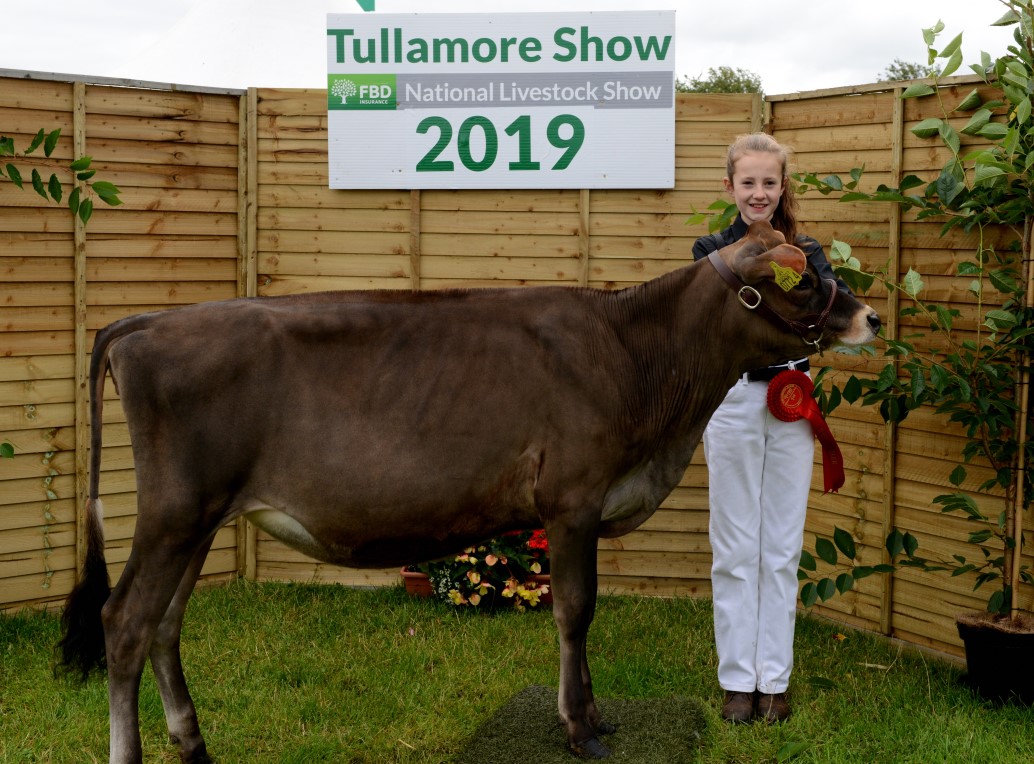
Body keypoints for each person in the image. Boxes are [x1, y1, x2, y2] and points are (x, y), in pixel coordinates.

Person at [691, 133, 849, 725]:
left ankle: (773, 682)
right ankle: (738, 682)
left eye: (769, 182)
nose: (759, 193)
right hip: (733, 401)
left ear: (783, 187)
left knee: (780, 548)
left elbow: (832, 311)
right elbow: (708, 326)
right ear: (730, 186)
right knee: (735, 547)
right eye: (748, 182)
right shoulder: (712, 250)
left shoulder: (807, 252)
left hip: (792, 401)